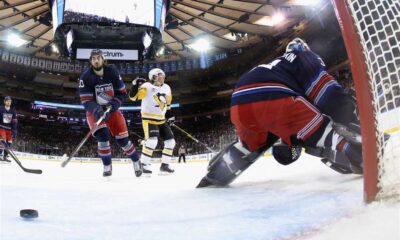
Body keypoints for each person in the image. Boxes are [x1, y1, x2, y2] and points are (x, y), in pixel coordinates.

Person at [197, 38, 363, 188]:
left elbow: (284, 154)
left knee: (250, 144)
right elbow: (325, 90)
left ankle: (215, 174)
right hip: (273, 96)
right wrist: (347, 113)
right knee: (322, 130)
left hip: (239, 102)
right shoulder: (304, 57)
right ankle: (363, 157)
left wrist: (291, 144)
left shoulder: (278, 65)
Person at [79, 49, 142, 177]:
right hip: (94, 111)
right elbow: (86, 100)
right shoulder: (85, 77)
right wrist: (97, 110)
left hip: (112, 110)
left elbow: (122, 93)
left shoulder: (112, 72)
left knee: (123, 141)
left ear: (103, 59)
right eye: (93, 58)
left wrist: (113, 106)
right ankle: (107, 165)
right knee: (103, 136)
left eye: (98, 57)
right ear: (90, 61)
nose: (96, 60)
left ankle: (136, 161)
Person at [128, 68, 176, 174]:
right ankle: (144, 165)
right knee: (152, 141)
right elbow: (133, 97)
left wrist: (171, 116)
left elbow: (168, 105)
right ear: (153, 77)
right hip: (149, 119)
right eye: (159, 75)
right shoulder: (146, 86)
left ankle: (165, 166)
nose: (162, 77)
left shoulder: (167, 88)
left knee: (171, 142)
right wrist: (135, 85)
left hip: (161, 120)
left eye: (163, 75)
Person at [0, 96, 17, 163]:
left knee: (9, 142)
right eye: (7, 101)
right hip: (1, 127)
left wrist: (14, 131)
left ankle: (5, 156)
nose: (8, 102)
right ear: (4, 102)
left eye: (9, 101)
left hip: (9, 129)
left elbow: (14, 122)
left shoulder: (13, 110)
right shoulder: (1, 108)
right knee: (3, 141)